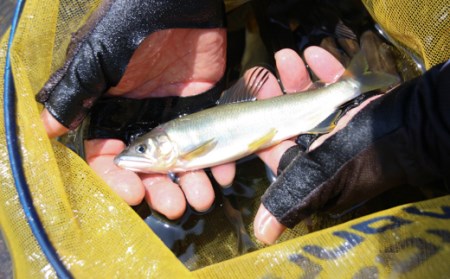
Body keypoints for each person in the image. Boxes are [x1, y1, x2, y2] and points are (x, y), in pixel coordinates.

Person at [38, 0, 450, 245]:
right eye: (141, 149)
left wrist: (432, 115)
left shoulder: (183, 155)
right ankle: (358, 84)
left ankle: (353, 85)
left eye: (142, 149)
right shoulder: (172, 154)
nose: (135, 155)